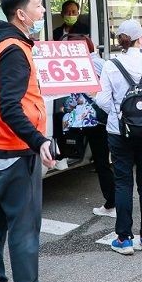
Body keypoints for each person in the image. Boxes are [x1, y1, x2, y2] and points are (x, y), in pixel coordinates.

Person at [0, 0, 70, 282]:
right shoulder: (15, 50)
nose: (43, 10)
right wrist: (40, 140)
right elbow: (10, 106)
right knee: (24, 228)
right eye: (38, 4)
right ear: (21, 13)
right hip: (17, 151)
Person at [97, 20, 142, 255]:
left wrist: (120, 114)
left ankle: (124, 239)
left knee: (122, 182)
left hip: (119, 132)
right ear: (140, 39)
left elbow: (103, 100)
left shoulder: (111, 65)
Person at [60, 33, 114, 218]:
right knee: (103, 161)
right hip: (102, 119)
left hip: (94, 121)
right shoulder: (99, 62)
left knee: (102, 162)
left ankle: (112, 203)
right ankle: (113, 202)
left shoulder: (87, 65)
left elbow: (86, 96)